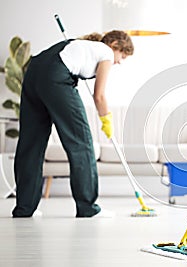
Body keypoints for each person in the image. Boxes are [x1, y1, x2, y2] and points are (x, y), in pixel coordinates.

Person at [12, 30, 134, 218]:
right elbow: (99, 96)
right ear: (116, 45)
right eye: (122, 56)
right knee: (81, 143)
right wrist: (106, 119)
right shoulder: (106, 52)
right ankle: (88, 208)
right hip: (56, 78)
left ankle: (25, 208)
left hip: (33, 73)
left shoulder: (81, 46)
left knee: (31, 144)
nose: (119, 62)